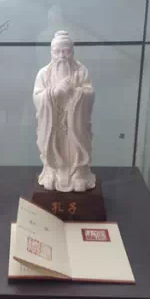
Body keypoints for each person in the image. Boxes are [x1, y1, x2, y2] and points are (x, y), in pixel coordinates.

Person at [33, 31, 95, 192]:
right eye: (58, 51)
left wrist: (76, 92)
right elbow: (37, 97)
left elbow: (90, 93)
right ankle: (52, 173)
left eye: (66, 51)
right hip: (53, 122)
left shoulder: (81, 71)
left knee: (77, 146)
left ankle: (79, 174)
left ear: (72, 52)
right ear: (51, 52)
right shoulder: (43, 74)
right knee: (52, 144)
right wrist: (55, 92)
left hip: (75, 123)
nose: (62, 56)